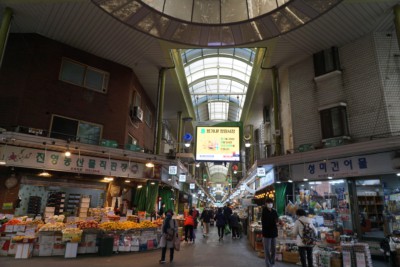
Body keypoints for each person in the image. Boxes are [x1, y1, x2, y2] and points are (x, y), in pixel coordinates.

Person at [261, 198, 279, 267]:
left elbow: (277, 219)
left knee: (274, 249)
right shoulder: (264, 212)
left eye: (271, 203)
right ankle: (268, 264)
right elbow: (264, 223)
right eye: (268, 203)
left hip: (274, 233)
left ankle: (272, 262)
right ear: (266, 204)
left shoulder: (274, 211)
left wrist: (278, 222)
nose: (270, 204)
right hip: (266, 233)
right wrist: (274, 223)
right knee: (267, 250)